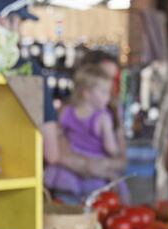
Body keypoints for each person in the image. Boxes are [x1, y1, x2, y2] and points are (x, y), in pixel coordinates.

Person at [43, 50, 127, 191]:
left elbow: (122, 160)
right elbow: (56, 151)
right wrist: (93, 165)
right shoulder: (99, 115)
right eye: (104, 76)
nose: (110, 86)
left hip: (76, 175)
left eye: (112, 78)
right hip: (81, 175)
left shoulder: (112, 111)